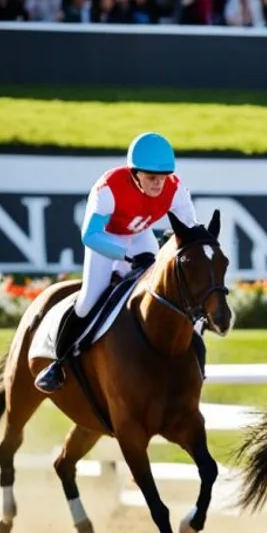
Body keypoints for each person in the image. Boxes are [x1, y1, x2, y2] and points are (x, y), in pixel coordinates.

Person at [34, 131, 206, 394]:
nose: (159, 184)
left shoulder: (175, 189)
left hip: (139, 236)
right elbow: (90, 235)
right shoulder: (109, 188)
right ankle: (58, 364)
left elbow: (190, 231)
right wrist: (124, 257)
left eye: (162, 177)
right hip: (106, 239)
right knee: (90, 299)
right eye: (151, 178)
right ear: (134, 173)